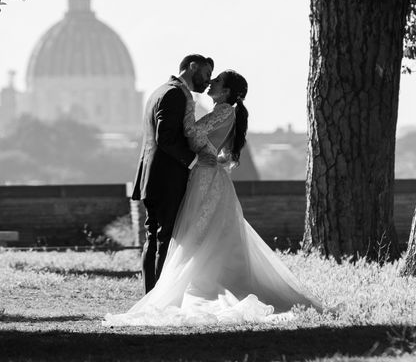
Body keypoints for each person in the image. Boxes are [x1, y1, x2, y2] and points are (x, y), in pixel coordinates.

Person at [106, 70, 323, 326]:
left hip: (206, 177)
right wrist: (212, 154)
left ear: (227, 91)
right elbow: (225, 152)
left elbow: (194, 133)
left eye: (217, 81)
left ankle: (199, 284)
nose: (211, 83)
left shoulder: (224, 111)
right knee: (202, 233)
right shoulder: (226, 112)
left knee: (200, 232)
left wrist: (188, 105)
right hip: (207, 173)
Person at [132, 54, 214, 293]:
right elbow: (165, 139)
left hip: (151, 177)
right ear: (192, 67)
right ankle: (157, 296)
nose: (208, 82)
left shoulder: (159, 91)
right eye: (206, 74)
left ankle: (151, 294)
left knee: (154, 238)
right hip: (166, 178)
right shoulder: (175, 94)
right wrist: (194, 160)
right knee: (164, 238)